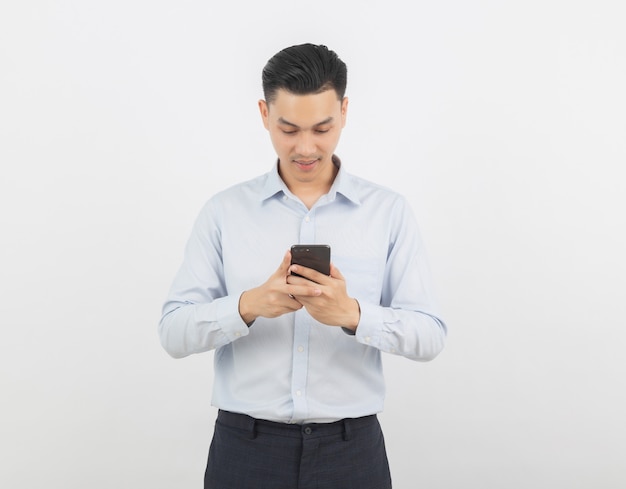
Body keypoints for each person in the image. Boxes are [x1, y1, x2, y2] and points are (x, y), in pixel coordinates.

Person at [159, 43, 447, 489]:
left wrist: (352, 316)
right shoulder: (224, 212)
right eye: (288, 129)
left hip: (353, 452)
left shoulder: (389, 211)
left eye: (323, 127)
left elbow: (430, 336)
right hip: (245, 448)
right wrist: (250, 305)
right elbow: (172, 333)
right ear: (264, 113)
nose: (306, 147)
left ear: (345, 111)